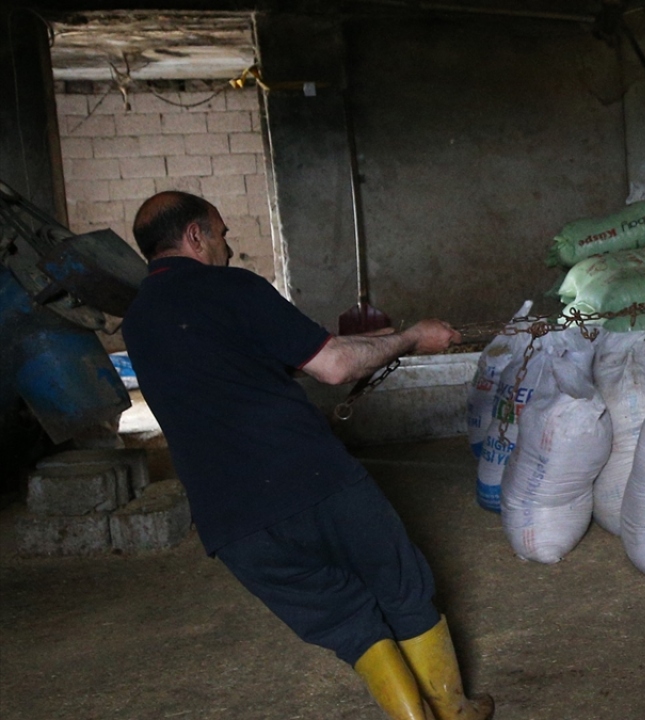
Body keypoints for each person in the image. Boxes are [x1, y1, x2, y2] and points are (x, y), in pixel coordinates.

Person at [121, 191, 493, 720]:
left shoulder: (137, 322)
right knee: (402, 587)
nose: (230, 246)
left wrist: (375, 341)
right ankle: (456, 711)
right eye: (223, 234)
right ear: (195, 236)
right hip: (314, 483)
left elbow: (243, 360)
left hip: (234, 523)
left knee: (347, 624)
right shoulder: (232, 286)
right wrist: (411, 336)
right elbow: (335, 368)